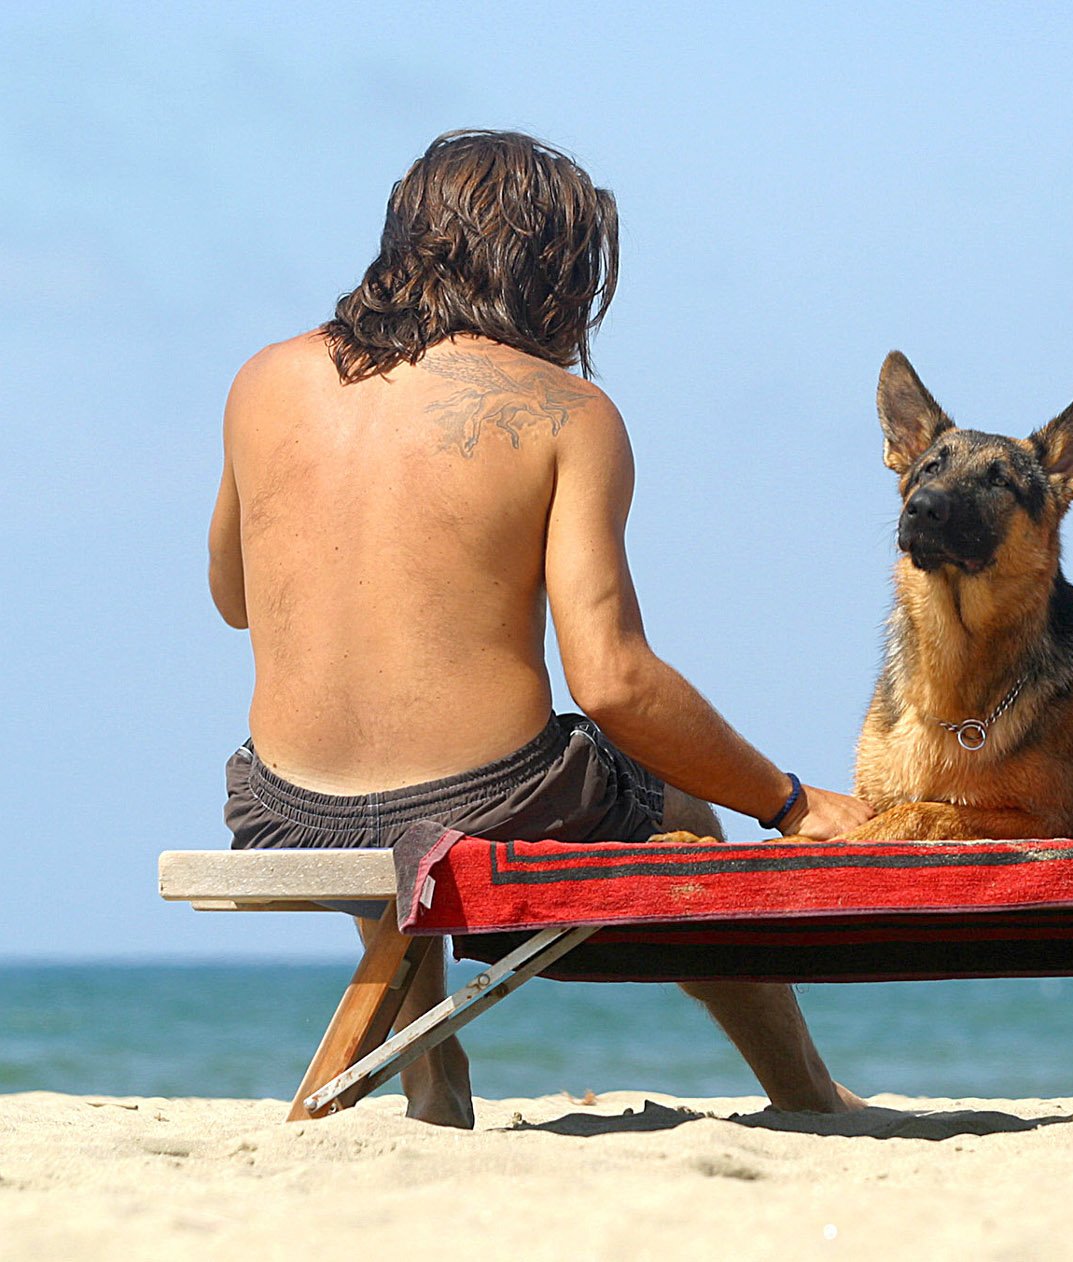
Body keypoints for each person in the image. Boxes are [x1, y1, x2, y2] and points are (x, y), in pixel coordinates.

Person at [206, 129, 874, 1127]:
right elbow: (612, 680)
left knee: (395, 813)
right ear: (550, 266)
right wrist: (786, 801)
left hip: (281, 806)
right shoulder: (565, 411)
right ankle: (806, 1092)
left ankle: (433, 1071)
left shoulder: (263, 379)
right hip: (490, 798)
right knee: (684, 800)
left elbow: (233, 598)